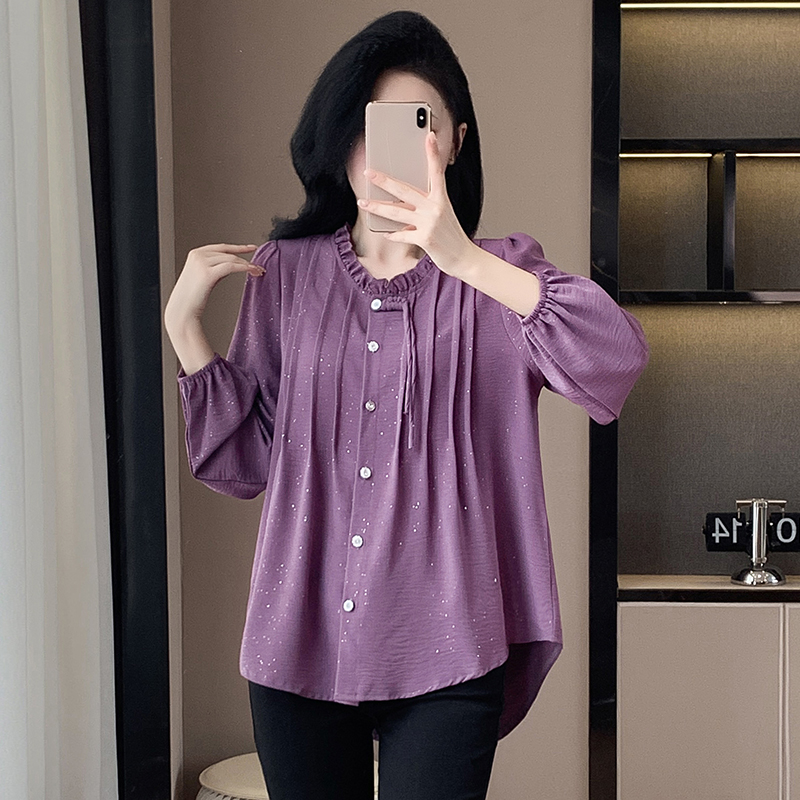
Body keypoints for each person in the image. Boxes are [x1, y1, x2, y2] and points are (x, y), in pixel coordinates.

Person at [164, 10, 649, 800]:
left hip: (450, 649)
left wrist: (461, 258)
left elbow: (618, 361)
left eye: (416, 125)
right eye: (368, 126)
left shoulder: (502, 276)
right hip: (299, 644)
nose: (385, 150)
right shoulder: (284, 275)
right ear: (339, 140)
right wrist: (187, 333)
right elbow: (246, 468)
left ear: (455, 142)